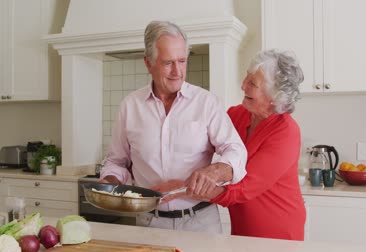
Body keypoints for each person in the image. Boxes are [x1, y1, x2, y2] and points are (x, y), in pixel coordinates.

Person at [99, 20, 247, 234]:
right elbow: (116, 161)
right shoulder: (130, 106)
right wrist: (110, 183)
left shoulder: (206, 102)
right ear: (148, 63)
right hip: (149, 223)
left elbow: (236, 150)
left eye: (182, 61)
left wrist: (215, 171)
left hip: (201, 223)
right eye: (168, 62)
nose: (177, 71)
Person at [187, 50, 306, 240]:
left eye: (252, 83)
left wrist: (188, 190)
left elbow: (245, 187)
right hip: (243, 228)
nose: (243, 85)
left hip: (278, 231)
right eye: (246, 78)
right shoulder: (237, 115)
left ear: (274, 96)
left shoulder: (286, 132)